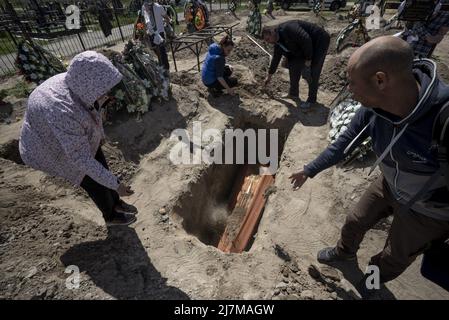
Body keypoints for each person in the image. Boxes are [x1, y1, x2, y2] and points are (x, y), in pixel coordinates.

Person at [289, 36, 449, 298]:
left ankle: (372, 282)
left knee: (392, 256)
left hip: (427, 209)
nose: (349, 89)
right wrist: (309, 170)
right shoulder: (373, 109)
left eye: (352, 82)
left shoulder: (443, 119)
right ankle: (343, 255)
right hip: (389, 183)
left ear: (380, 80)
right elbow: (341, 146)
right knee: (355, 220)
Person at [19, 51, 137, 227]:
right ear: (91, 86)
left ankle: (116, 202)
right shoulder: (62, 109)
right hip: (48, 147)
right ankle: (110, 215)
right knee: (89, 178)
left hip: (68, 134)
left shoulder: (78, 82)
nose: (106, 91)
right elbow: (81, 160)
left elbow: (95, 112)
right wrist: (116, 184)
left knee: (99, 162)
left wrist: (101, 137)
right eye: (103, 88)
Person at [262, 20, 330, 109]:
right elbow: (276, 59)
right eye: (266, 40)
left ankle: (312, 101)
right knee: (292, 65)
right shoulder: (277, 42)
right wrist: (269, 76)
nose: (268, 42)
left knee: (313, 70)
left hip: (319, 40)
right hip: (302, 46)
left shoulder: (289, 28)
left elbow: (306, 39)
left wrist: (309, 59)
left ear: (272, 32)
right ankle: (293, 94)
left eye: (268, 39)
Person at [142, 0, 171, 70]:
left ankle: (166, 68)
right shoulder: (144, 7)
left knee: (162, 51)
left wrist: (167, 25)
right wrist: (145, 33)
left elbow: (166, 17)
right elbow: (144, 20)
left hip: (160, 32)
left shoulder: (159, 7)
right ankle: (161, 65)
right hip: (151, 33)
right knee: (156, 50)